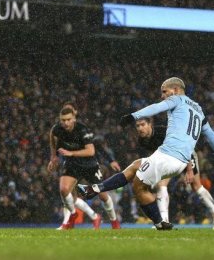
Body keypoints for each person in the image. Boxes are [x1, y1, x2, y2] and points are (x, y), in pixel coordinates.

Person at [79, 77, 214, 230]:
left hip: (173, 156)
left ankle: (161, 223)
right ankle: (94, 189)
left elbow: (156, 107)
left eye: (165, 92)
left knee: (139, 186)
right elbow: (210, 136)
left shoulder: (177, 99)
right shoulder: (199, 110)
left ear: (176, 90)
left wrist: (132, 116)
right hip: (177, 158)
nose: (163, 96)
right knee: (137, 166)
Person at [48, 107, 121, 230]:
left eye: (68, 120)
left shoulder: (82, 129)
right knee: (64, 190)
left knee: (103, 196)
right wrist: (53, 157)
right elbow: (52, 137)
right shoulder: (57, 129)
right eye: (63, 120)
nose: (65, 123)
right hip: (72, 164)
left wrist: (71, 153)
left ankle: (114, 221)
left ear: (74, 119)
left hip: (89, 165)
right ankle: (73, 214)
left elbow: (91, 151)